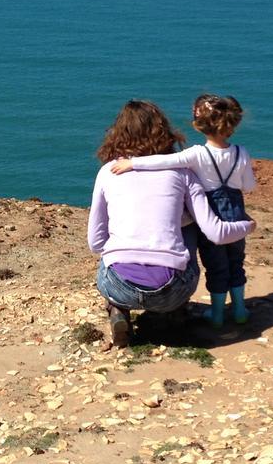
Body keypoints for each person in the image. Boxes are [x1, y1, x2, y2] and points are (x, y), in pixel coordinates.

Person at [88, 100, 256, 347]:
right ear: (164, 131)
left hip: (119, 284)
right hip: (172, 289)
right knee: (187, 223)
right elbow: (214, 232)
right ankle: (173, 312)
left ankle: (119, 309)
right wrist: (248, 225)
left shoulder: (108, 172)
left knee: (112, 251)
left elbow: (95, 242)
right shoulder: (184, 174)